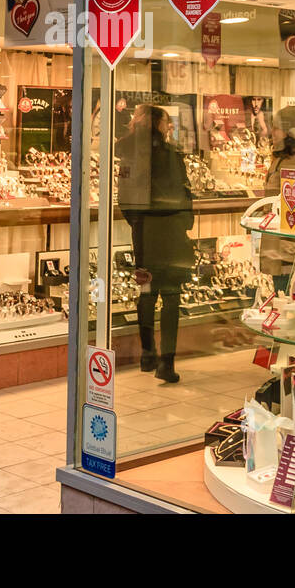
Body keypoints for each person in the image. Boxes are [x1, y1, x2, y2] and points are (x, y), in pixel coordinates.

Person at [115, 104, 194, 384]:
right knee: (171, 296)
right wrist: (184, 222)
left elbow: (123, 194)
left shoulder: (127, 152)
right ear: (158, 124)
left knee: (146, 292)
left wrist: (137, 222)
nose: (169, 128)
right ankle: (166, 362)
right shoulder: (172, 155)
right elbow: (184, 192)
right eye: (167, 123)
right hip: (170, 233)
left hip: (144, 236)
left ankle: (148, 352)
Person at [259, 127, 295, 293]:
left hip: (286, 245)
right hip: (276, 240)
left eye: (277, 128)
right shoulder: (279, 160)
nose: (273, 133)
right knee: (280, 289)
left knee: (286, 290)